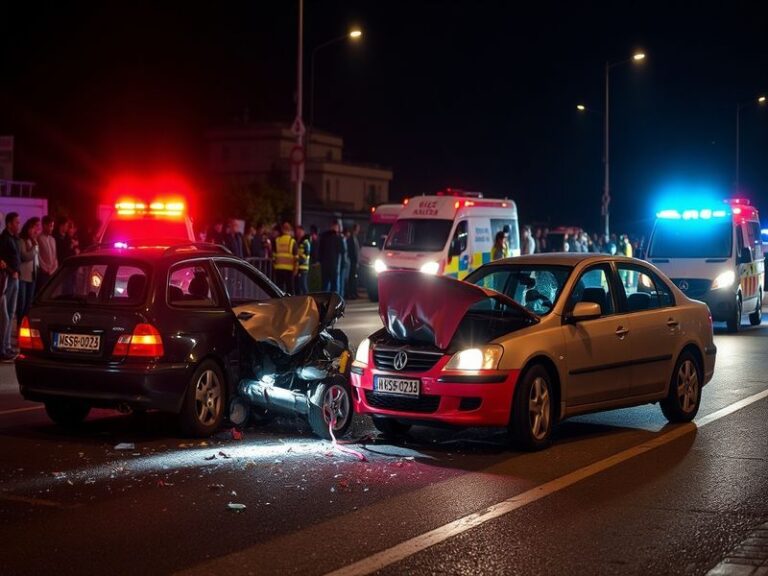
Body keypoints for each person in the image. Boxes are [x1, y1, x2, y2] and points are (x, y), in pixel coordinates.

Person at [0, 212, 22, 361]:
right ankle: (3, 347)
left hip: (15, 278)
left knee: (11, 313)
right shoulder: (4, 239)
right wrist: (10, 271)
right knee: (5, 315)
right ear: (9, 224)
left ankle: (7, 345)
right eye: (16, 222)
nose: (18, 225)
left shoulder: (15, 239)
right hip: (7, 279)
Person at [17, 217, 41, 321]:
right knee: (22, 302)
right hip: (23, 275)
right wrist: (34, 248)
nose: (35, 230)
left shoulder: (34, 240)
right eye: (33, 228)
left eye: (36, 228)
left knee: (29, 302)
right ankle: (19, 324)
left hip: (33, 275)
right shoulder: (21, 240)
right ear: (27, 228)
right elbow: (25, 256)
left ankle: (25, 325)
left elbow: (36, 258)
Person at [318, 221, 343, 293]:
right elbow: (342, 250)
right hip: (333, 265)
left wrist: (320, 261)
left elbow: (320, 250)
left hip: (324, 265)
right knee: (334, 285)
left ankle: (323, 301)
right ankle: (333, 302)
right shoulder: (338, 238)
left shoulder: (323, 236)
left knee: (324, 285)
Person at [273, 222, 297, 293]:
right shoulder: (292, 241)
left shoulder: (277, 240)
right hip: (289, 270)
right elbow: (296, 257)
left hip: (278, 269)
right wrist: (295, 269)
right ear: (289, 230)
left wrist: (274, 266)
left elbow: (274, 256)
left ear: (282, 230)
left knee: (278, 289)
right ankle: (290, 303)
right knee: (290, 289)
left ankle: (278, 303)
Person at [38, 215, 58, 293]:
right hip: (43, 273)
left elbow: (55, 257)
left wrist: (53, 269)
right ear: (44, 225)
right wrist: (45, 269)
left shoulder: (53, 239)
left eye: (52, 226)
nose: (52, 228)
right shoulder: (39, 238)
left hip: (53, 272)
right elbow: (38, 256)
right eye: (50, 226)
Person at [295, 225, 311, 295]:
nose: (298, 233)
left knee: (303, 286)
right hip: (299, 267)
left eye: (299, 231)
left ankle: (308, 300)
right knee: (299, 286)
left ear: (303, 231)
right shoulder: (299, 241)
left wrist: (298, 260)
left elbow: (306, 255)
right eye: (297, 232)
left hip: (303, 267)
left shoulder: (305, 242)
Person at [346, 224, 361, 299]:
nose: (359, 230)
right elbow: (352, 251)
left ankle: (354, 293)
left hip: (355, 262)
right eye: (358, 228)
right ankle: (351, 293)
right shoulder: (351, 238)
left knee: (355, 278)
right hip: (352, 262)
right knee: (352, 278)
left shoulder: (355, 238)